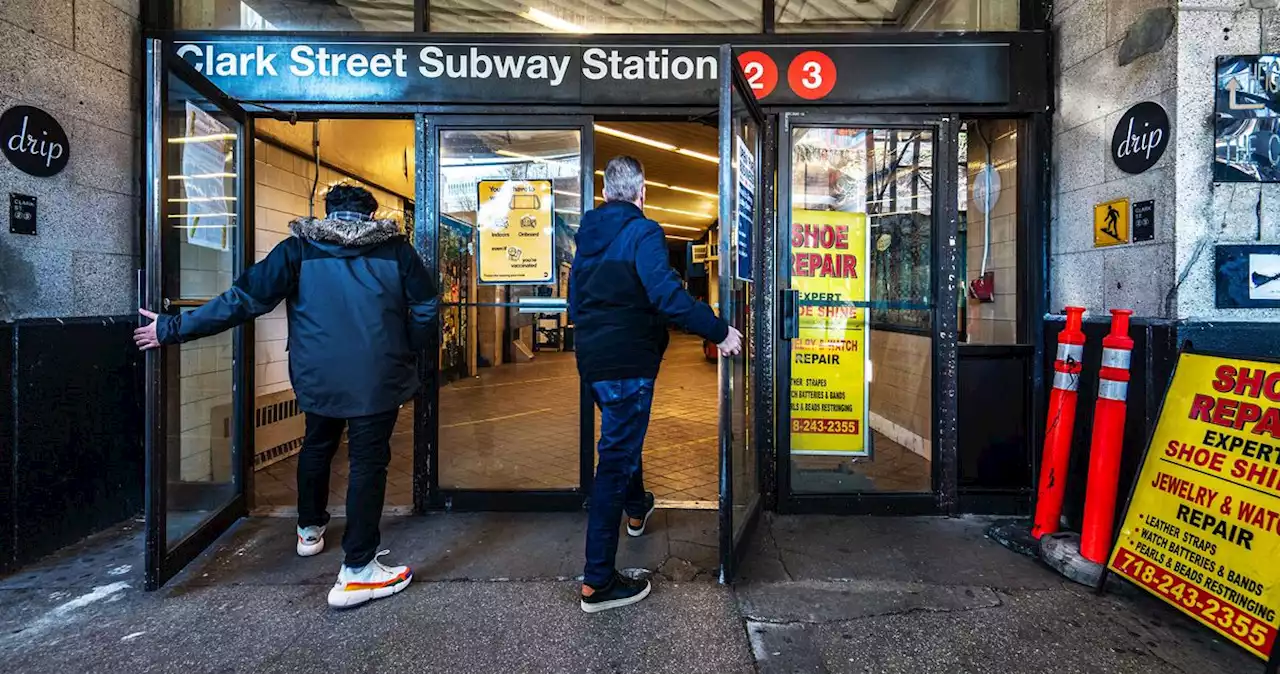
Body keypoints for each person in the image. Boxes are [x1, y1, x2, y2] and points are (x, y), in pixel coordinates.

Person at [133, 184, 437, 609]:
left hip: (317, 375)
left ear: (326, 212)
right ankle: (357, 570)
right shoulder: (397, 253)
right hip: (378, 376)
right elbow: (426, 307)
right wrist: (405, 349)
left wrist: (173, 328)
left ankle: (310, 530)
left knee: (317, 446)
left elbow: (244, 300)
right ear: (371, 216)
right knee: (369, 463)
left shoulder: (297, 250)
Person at [569, 156, 742, 613]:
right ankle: (598, 582)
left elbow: (575, 303)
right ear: (642, 193)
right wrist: (719, 331)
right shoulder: (643, 232)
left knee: (622, 441)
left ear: (608, 193)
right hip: (629, 361)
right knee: (614, 460)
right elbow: (666, 295)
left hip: (594, 362)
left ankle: (637, 505)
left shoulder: (585, 237)